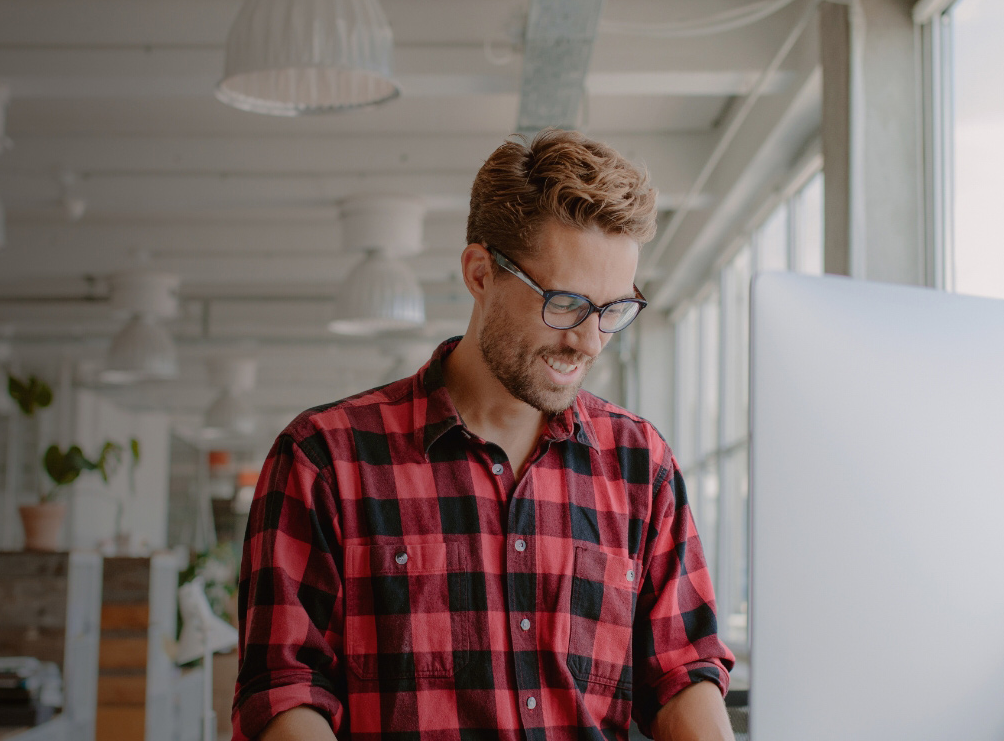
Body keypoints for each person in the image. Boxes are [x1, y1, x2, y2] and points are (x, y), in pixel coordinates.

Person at [232, 129, 735, 740]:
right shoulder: (325, 459)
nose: (589, 340)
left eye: (612, 311)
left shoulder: (639, 465)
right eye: (567, 303)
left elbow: (683, 671)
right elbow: (285, 690)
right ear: (479, 273)